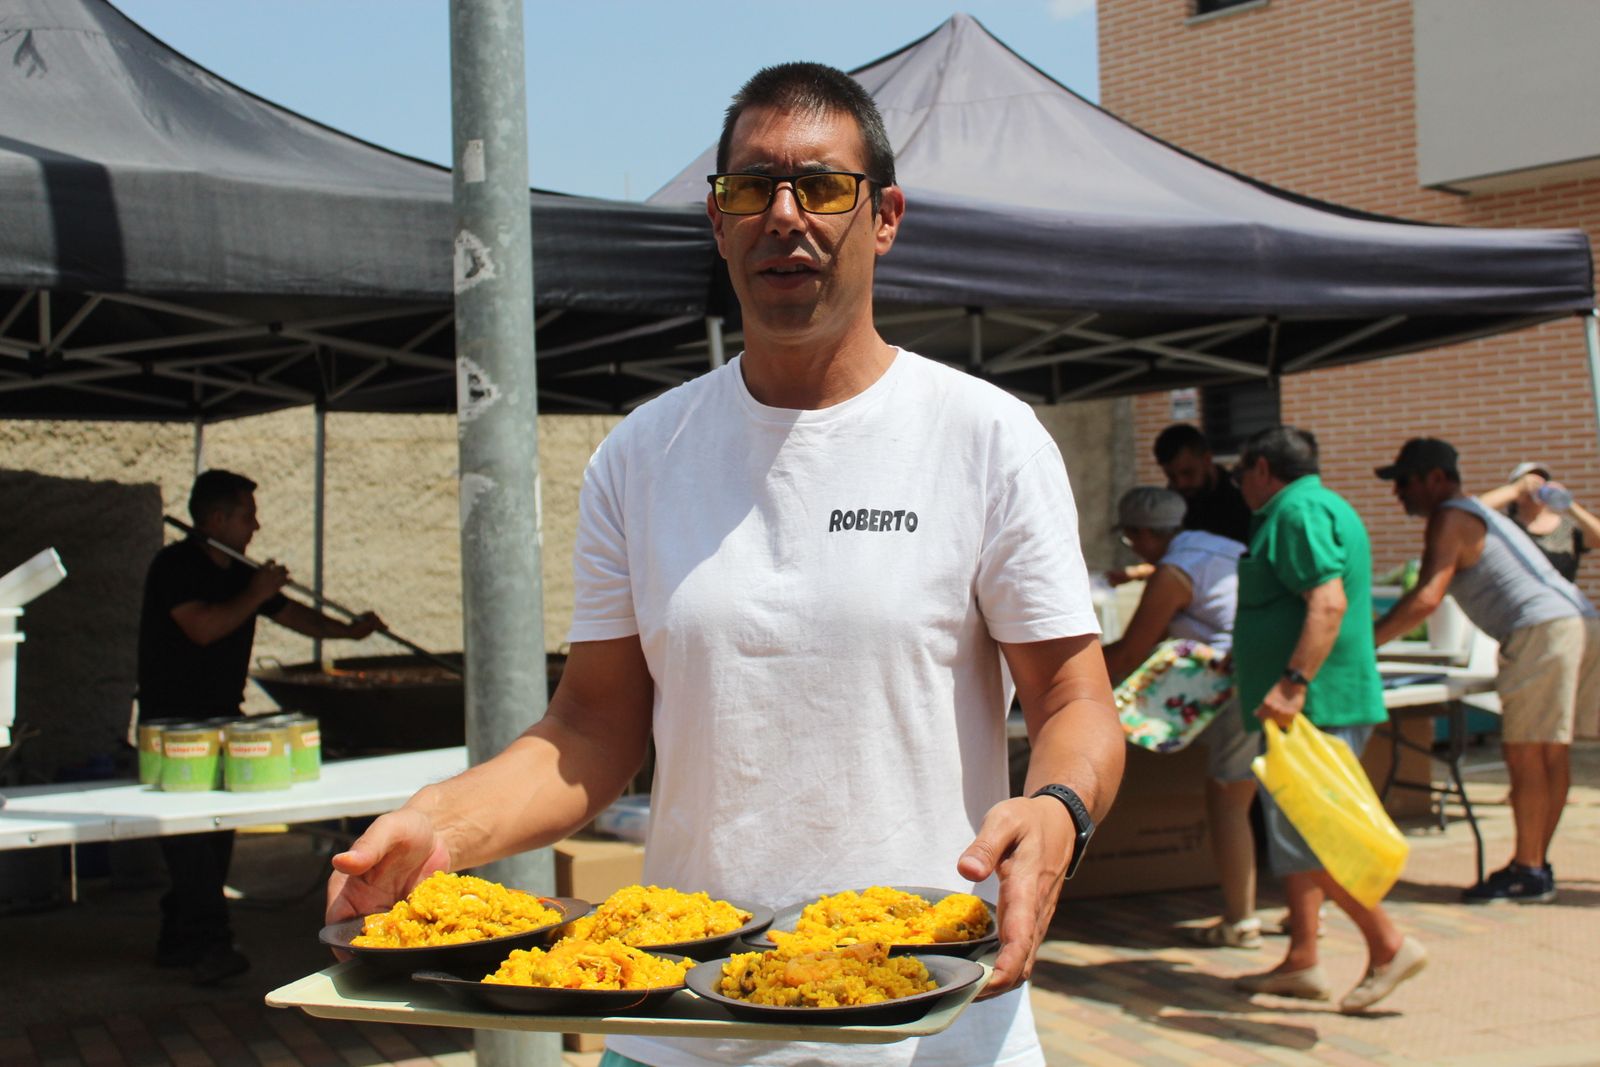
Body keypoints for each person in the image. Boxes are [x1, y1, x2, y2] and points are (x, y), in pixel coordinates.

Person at [326, 62, 1124, 1067]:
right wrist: (432, 826)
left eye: (823, 186)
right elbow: (590, 727)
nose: (783, 214)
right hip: (683, 1023)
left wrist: (1056, 809)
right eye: (750, 187)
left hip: (922, 1018)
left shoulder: (984, 437)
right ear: (716, 219)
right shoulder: (641, 454)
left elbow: (1072, 701)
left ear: (884, 216)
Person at [138, 469, 383, 985]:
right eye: (247, 515)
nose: (256, 526)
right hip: (175, 726)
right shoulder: (174, 566)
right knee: (187, 841)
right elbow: (202, 628)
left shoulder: (239, 574)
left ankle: (179, 937)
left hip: (225, 717)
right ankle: (209, 941)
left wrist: (350, 632)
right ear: (217, 517)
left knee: (216, 837)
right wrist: (256, 591)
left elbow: (295, 616)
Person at [1229, 426, 1427, 1013]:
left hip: (1312, 708)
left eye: (1242, 474)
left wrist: (1292, 684)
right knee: (1298, 837)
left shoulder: (1298, 512)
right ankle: (1304, 960)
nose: (1240, 485)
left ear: (1262, 468)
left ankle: (1388, 945)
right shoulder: (1319, 504)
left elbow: (1329, 600)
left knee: (1317, 836)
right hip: (1310, 704)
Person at [1374, 437, 1600, 902]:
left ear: (1436, 479)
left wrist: (1361, 644)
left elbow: (1426, 597)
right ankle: (1534, 866)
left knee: (1525, 754)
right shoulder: (1481, 512)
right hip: (1579, 621)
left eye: (1406, 483)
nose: (1398, 494)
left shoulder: (1451, 515)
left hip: (1541, 630)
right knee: (1550, 752)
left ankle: (1529, 870)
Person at [1100, 487, 1259, 947]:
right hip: (1265, 671)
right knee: (1269, 796)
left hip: (1230, 681)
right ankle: (1310, 914)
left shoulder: (1173, 573)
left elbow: (1131, 650)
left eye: (1132, 540)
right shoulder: (1214, 545)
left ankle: (1241, 921)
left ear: (1145, 535)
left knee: (1228, 799)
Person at [1108, 424, 1251, 586]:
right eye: (1171, 476)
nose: (1181, 483)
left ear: (1207, 459)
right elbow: (1178, 556)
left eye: (1188, 473)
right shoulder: (1173, 503)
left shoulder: (1242, 496)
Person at [1478, 461, 1600, 582]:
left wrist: (1567, 503)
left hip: (1559, 598)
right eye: (1530, 481)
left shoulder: (1567, 528)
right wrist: (1515, 490)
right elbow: (1473, 510)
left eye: (1542, 481)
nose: (1537, 485)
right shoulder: (1506, 525)